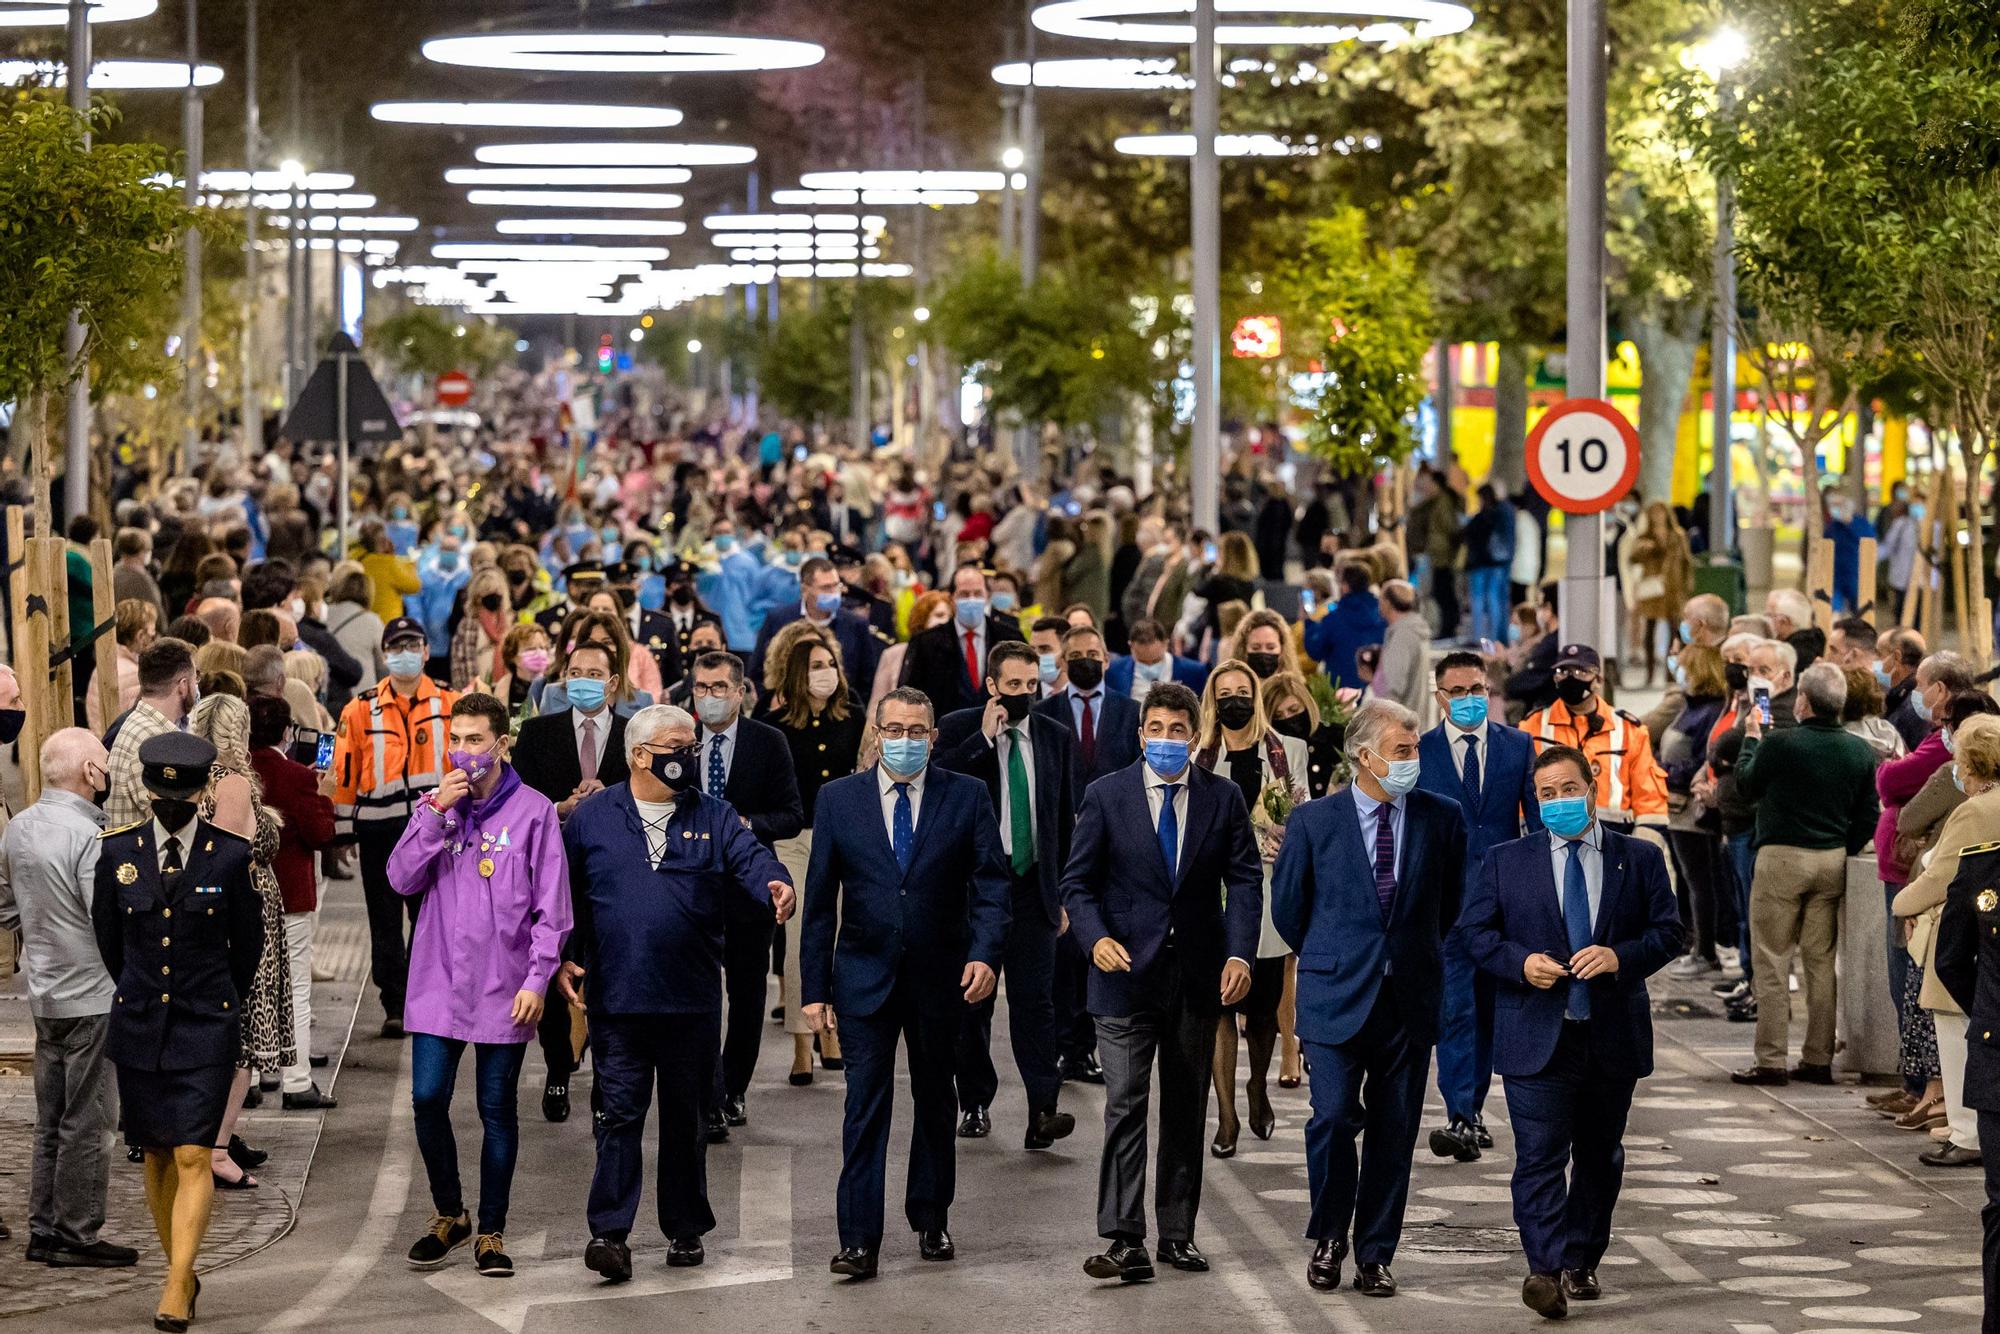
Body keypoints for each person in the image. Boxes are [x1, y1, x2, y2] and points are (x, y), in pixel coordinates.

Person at [1458, 743, 1681, 1319]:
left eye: (1568, 790)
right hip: (1536, 1035)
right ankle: (1544, 1269)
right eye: (1546, 794)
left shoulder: (1640, 858)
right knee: (1537, 1156)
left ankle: (1582, 1257)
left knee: (1599, 1155)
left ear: (1592, 785)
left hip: (1611, 1034)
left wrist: (1620, 957)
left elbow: (1670, 932)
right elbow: (1476, 934)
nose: (1558, 802)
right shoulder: (1509, 860)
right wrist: (1519, 964)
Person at [800, 687, 1009, 1279]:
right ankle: (858, 1239)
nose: (906, 741)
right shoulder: (838, 800)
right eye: (895, 730)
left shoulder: (966, 796)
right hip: (863, 977)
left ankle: (931, 1216)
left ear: (934, 737)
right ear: (876, 732)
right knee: (865, 1107)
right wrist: (814, 988)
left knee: (936, 1101)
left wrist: (986, 955)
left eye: (917, 731)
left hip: (943, 977)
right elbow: (819, 904)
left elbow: (992, 886)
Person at [1062, 681, 1261, 1285]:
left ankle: (1177, 1234)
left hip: (1196, 978)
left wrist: (1241, 956)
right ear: (1141, 735)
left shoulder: (1221, 798)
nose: (1168, 741)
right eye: (1158, 731)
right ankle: (1125, 1238)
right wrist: (1094, 938)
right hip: (1123, 975)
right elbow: (1077, 884)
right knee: (1125, 1103)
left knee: (1183, 1105)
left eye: (1179, 731)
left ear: (1194, 737)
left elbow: (1246, 880)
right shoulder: (1106, 796)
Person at [1269, 698, 1465, 1298]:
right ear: (1365, 756)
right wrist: (1337, 956)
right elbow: (1289, 910)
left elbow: (1448, 905)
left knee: (1395, 1128)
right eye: (1402, 752)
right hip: (1334, 995)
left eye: (1415, 750)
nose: (1413, 762)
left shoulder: (1442, 817)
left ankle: (1375, 1252)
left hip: (1407, 995)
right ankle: (1329, 1236)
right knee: (1330, 1118)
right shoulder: (1314, 822)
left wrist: (1406, 954)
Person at [388, 693, 570, 1278]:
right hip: (438, 983)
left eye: (475, 740)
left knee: (497, 1109)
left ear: (501, 744)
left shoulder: (536, 813)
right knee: (426, 1100)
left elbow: (553, 910)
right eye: (456, 739)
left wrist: (539, 979)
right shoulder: (435, 807)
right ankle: (450, 1214)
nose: (464, 751)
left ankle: (491, 1230)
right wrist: (437, 813)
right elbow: (399, 877)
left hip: (504, 986)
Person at [92, 731, 262, 1331]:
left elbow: (249, 946)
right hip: (141, 1023)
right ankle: (184, 1274)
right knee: (159, 1151)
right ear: (146, 789)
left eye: (182, 794)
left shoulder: (231, 854)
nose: (172, 804)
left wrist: (216, 1000)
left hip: (206, 1022)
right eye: (164, 794)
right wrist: (143, 992)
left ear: (200, 793)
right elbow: (111, 941)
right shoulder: (118, 853)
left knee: (194, 1149)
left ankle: (172, 1284)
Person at [934, 641, 1081, 1149]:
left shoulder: (1054, 736)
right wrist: (981, 739)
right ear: (993, 685)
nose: (1023, 694)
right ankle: (974, 1101)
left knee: (1035, 1003)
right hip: (973, 892)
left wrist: (1062, 891)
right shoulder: (959, 728)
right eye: (1013, 685)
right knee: (973, 1003)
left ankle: (1043, 1108)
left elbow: (1063, 818)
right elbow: (939, 790)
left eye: (1030, 685)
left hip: (1032, 888)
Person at [0, 728, 138, 1267]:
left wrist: (39, 930)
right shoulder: (92, 837)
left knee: (50, 1118)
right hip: (93, 994)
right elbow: (103, 914)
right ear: (88, 772)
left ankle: (42, 1228)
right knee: (93, 1119)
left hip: (45, 993)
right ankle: (77, 1232)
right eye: (103, 763)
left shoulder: (19, 828)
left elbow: (6, 906)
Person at [1416, 650, 1541, 1162]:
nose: (1470, 700)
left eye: (1478, 690)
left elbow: (1535, 823)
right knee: (1455, 1010)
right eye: (1458, 692)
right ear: (1439, 697)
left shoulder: (1517, 746)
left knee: (1490, 1009)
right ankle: (1459, 1114)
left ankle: (1474, 1109)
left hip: (1503, 904)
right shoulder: (1421, 752)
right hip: (1446, 903)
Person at [1731, 662, 1881, 1085]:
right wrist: (1843, 847)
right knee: (1821, 962)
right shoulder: (1858, 750)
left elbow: (1745, 784)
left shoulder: (1782, 744)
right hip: (1830, 859)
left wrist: (1751, 738)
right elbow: (1868, 813)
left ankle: (1771, 1060)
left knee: (1773, 959)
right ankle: (1818, 1058)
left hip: (1781, 857)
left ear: (1804, 701)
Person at [510, 641, 632, 1122]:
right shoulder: (539, 734)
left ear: (612, 682)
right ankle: (559, 1068)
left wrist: (611, 798)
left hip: (614, 876)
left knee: (610, 975)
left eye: (594, 672)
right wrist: (557, 808)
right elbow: (516, 799)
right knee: (553, 966)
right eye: (575, 671)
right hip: (551, 871)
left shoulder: (631, 735)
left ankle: (607, 1080)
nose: (584, 679)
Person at [1193, 660, 1308, 1159]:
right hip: (1210, 893)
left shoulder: (1289, 752)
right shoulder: (1197, 755)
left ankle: (1257, 1085)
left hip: (1267, 889)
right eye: (1226, 693)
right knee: (1219, 1006)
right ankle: (1225, 1114)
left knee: (1262, 1009)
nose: (1235, 700)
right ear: (1212, 701)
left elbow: (1298, 817)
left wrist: (1264, 836)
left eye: (1244, 691)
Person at [690, 649, 804, 1136]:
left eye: (719, 688)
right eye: (701, 688)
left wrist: (745, 824)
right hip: (687, 887)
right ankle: (703, 1089)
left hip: (745, 886)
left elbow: (791, 814)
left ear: (740, 692)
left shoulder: (768, 742)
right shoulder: (678, 738)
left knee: (747, 992)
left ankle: (733, 1087)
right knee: (694, 995)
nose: (710, 697)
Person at [331, 616, 459, 1038]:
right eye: (396, 648)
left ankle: (426, 996)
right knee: (384, 919)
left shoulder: (450, 703)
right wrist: (342, 829)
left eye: (412, 646)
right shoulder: (360, 708)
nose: (404, 654)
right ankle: (395, 1003)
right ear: (386, 656)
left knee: (430, 916)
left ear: (425, 650)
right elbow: (344, 770)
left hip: (435, 828)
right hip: (379, 829)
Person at [1894, 711, 2000, 1168]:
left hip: (1964, 932)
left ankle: (1967, 1133)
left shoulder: (1976, 809)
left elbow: (1945, 876)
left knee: (1958, 1036)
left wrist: (1902, 905)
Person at [764, 630, 864, 1083]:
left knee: (843, 928)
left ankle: (832, 1031)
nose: (825, 674)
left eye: (830, 664)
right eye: (815, 667)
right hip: (796, 838)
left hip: (844, 835)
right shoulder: (779, 726)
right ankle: (803, 1041)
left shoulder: (855, 717)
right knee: (802, 929)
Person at [246, 696, 338, 1110]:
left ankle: (252, 1076)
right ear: (287, 733)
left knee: (249, 987)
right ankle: (297, 1080)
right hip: (290, 898)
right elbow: (320, 835)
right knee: (294, 988)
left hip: (244, 897)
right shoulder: (297, 775)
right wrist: (324, 795)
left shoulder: (233, 774)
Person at [1520, 644, 1669, 832]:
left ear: (1598, 680)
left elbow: (1649, 798)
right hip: (1548, 835)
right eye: (1563, 671)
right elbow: (1519, 791)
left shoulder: (1628, 730)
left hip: (1613, 838)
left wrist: (1645, 843)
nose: (1570, 677)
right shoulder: (1532, 727)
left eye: (1581, 671)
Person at [900, 566, 1025, 718]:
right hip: (946, 733)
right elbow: (911, 696)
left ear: (987, 596)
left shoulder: (1010, 637)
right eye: (964, 594)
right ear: (952, 598)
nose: (971, 599)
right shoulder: (927, 643)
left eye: (977, 593)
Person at [751, 555, 885, 688]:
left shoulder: (855, 624)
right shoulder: (779, 619)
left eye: (836, 586)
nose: (834, 593)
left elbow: (867, 677)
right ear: (805, 589)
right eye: (826, 588)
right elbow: (758, 670)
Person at [105, 639, 199, 828]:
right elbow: (175, 826)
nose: (197, 686)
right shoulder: (155, 742)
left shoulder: (141, 726)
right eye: (196, 679)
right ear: (182, 686)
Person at [1036, 622, 1140, 785]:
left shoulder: (1132, 712)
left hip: (1114, 807)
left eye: (1092, 654)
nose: (1085, 661)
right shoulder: (1042, 713)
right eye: (1076, 655)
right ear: (1063, 663)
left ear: (1106, 660)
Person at [1304, 562, 1386, 689]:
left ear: (1345, 586)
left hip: (1341, 696)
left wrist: (1309, 623)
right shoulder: (1383, 616)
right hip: (1377, 691)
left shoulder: (1334, 619)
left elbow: (1315, 651)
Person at [1106, 617, 1210, 701]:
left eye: (1156, 661)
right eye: (1142, 661)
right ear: (1131, 646)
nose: (1149, 666)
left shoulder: (1194, 672)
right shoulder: (1113, 671)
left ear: (1166, 644)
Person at [1463, 483, 1516, 644]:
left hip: (1479, 564)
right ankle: (1494, 637)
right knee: (1495, 600)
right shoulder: (1503, 513)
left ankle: (1479, 636)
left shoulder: (1480, 518)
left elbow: (1468, 535)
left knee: (1478, 600)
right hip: (1497, 564)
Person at [1371, 580, 1431, 712]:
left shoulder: (1402, 636)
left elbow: (1394, 687)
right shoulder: (1416, 630)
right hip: (1414, 718)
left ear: (1387, 603)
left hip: (1400, 722)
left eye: (1381, 598)